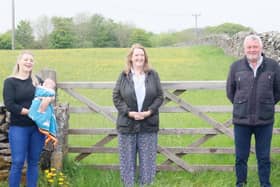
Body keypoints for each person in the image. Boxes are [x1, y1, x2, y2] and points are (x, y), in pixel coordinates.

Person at [226, 34, 280, 187]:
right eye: (249, 47)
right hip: (241, 120)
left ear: (261, 48)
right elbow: (231, 92)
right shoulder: (235, 67)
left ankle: (265, 184)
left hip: (265, 121)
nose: (252, 50)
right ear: (244, 49)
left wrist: (266, 104)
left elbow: (278, 91)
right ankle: (241, 183)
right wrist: (242, 104)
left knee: (263, 157)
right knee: (241, 157)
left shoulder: (273, 66)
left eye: (255, 47)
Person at [113, 43, 164, 187]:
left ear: (145, 58)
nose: (139, 57)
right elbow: (116, 97)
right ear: (131, 58)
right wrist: (129, 112)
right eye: (136, 55)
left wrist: (149, 112)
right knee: (127, 161)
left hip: (148, 124)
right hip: (127, 124)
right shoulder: (123, 75)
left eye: (142, 55)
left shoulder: (153, 75)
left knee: (148, 162)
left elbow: (160, 96)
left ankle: (146, 185)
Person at [3, 51, 51, 187]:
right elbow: (10, 104)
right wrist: (31, 112)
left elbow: (49, 96)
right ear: (19, 62)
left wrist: (48, 99)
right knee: (18, 162)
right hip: (19, 128)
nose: (29, 62)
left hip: (37, 128)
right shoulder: (10, 82)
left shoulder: (37, 81)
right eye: (26, 59)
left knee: (33, 162)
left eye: (31, 60)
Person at [28, 78, 58, 146]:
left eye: (49, 84)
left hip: (37, 114)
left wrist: (49, 97)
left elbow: (49, 93)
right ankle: (46, 131)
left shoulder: (48, 91)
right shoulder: (41, 89)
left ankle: (44, 128)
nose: (45, 84)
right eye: (46, 83)